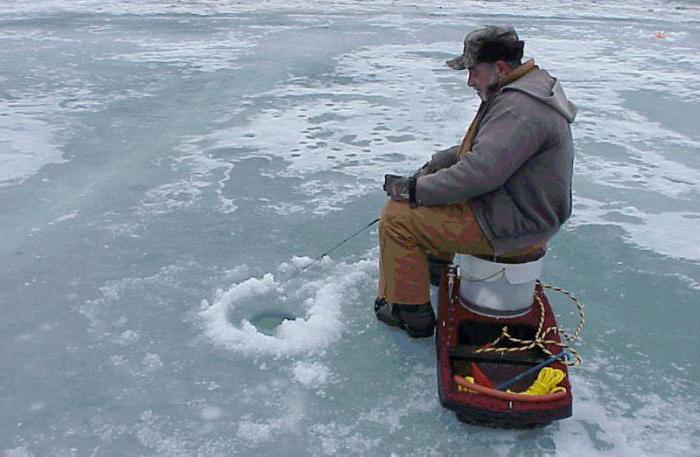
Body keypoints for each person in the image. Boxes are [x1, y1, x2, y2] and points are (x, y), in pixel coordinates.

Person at [375, 25, 577, 338]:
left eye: (473, 72)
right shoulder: (526, 89)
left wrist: (413, 190)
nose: (470, 82)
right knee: (440, 195)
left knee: (398, 217)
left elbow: (479, 174)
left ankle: (407, 312)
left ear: (499, 68)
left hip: (516, 227)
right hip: (518, 213)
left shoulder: (520, 108)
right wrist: (443, 161)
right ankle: (434, 268)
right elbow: (495, 154)